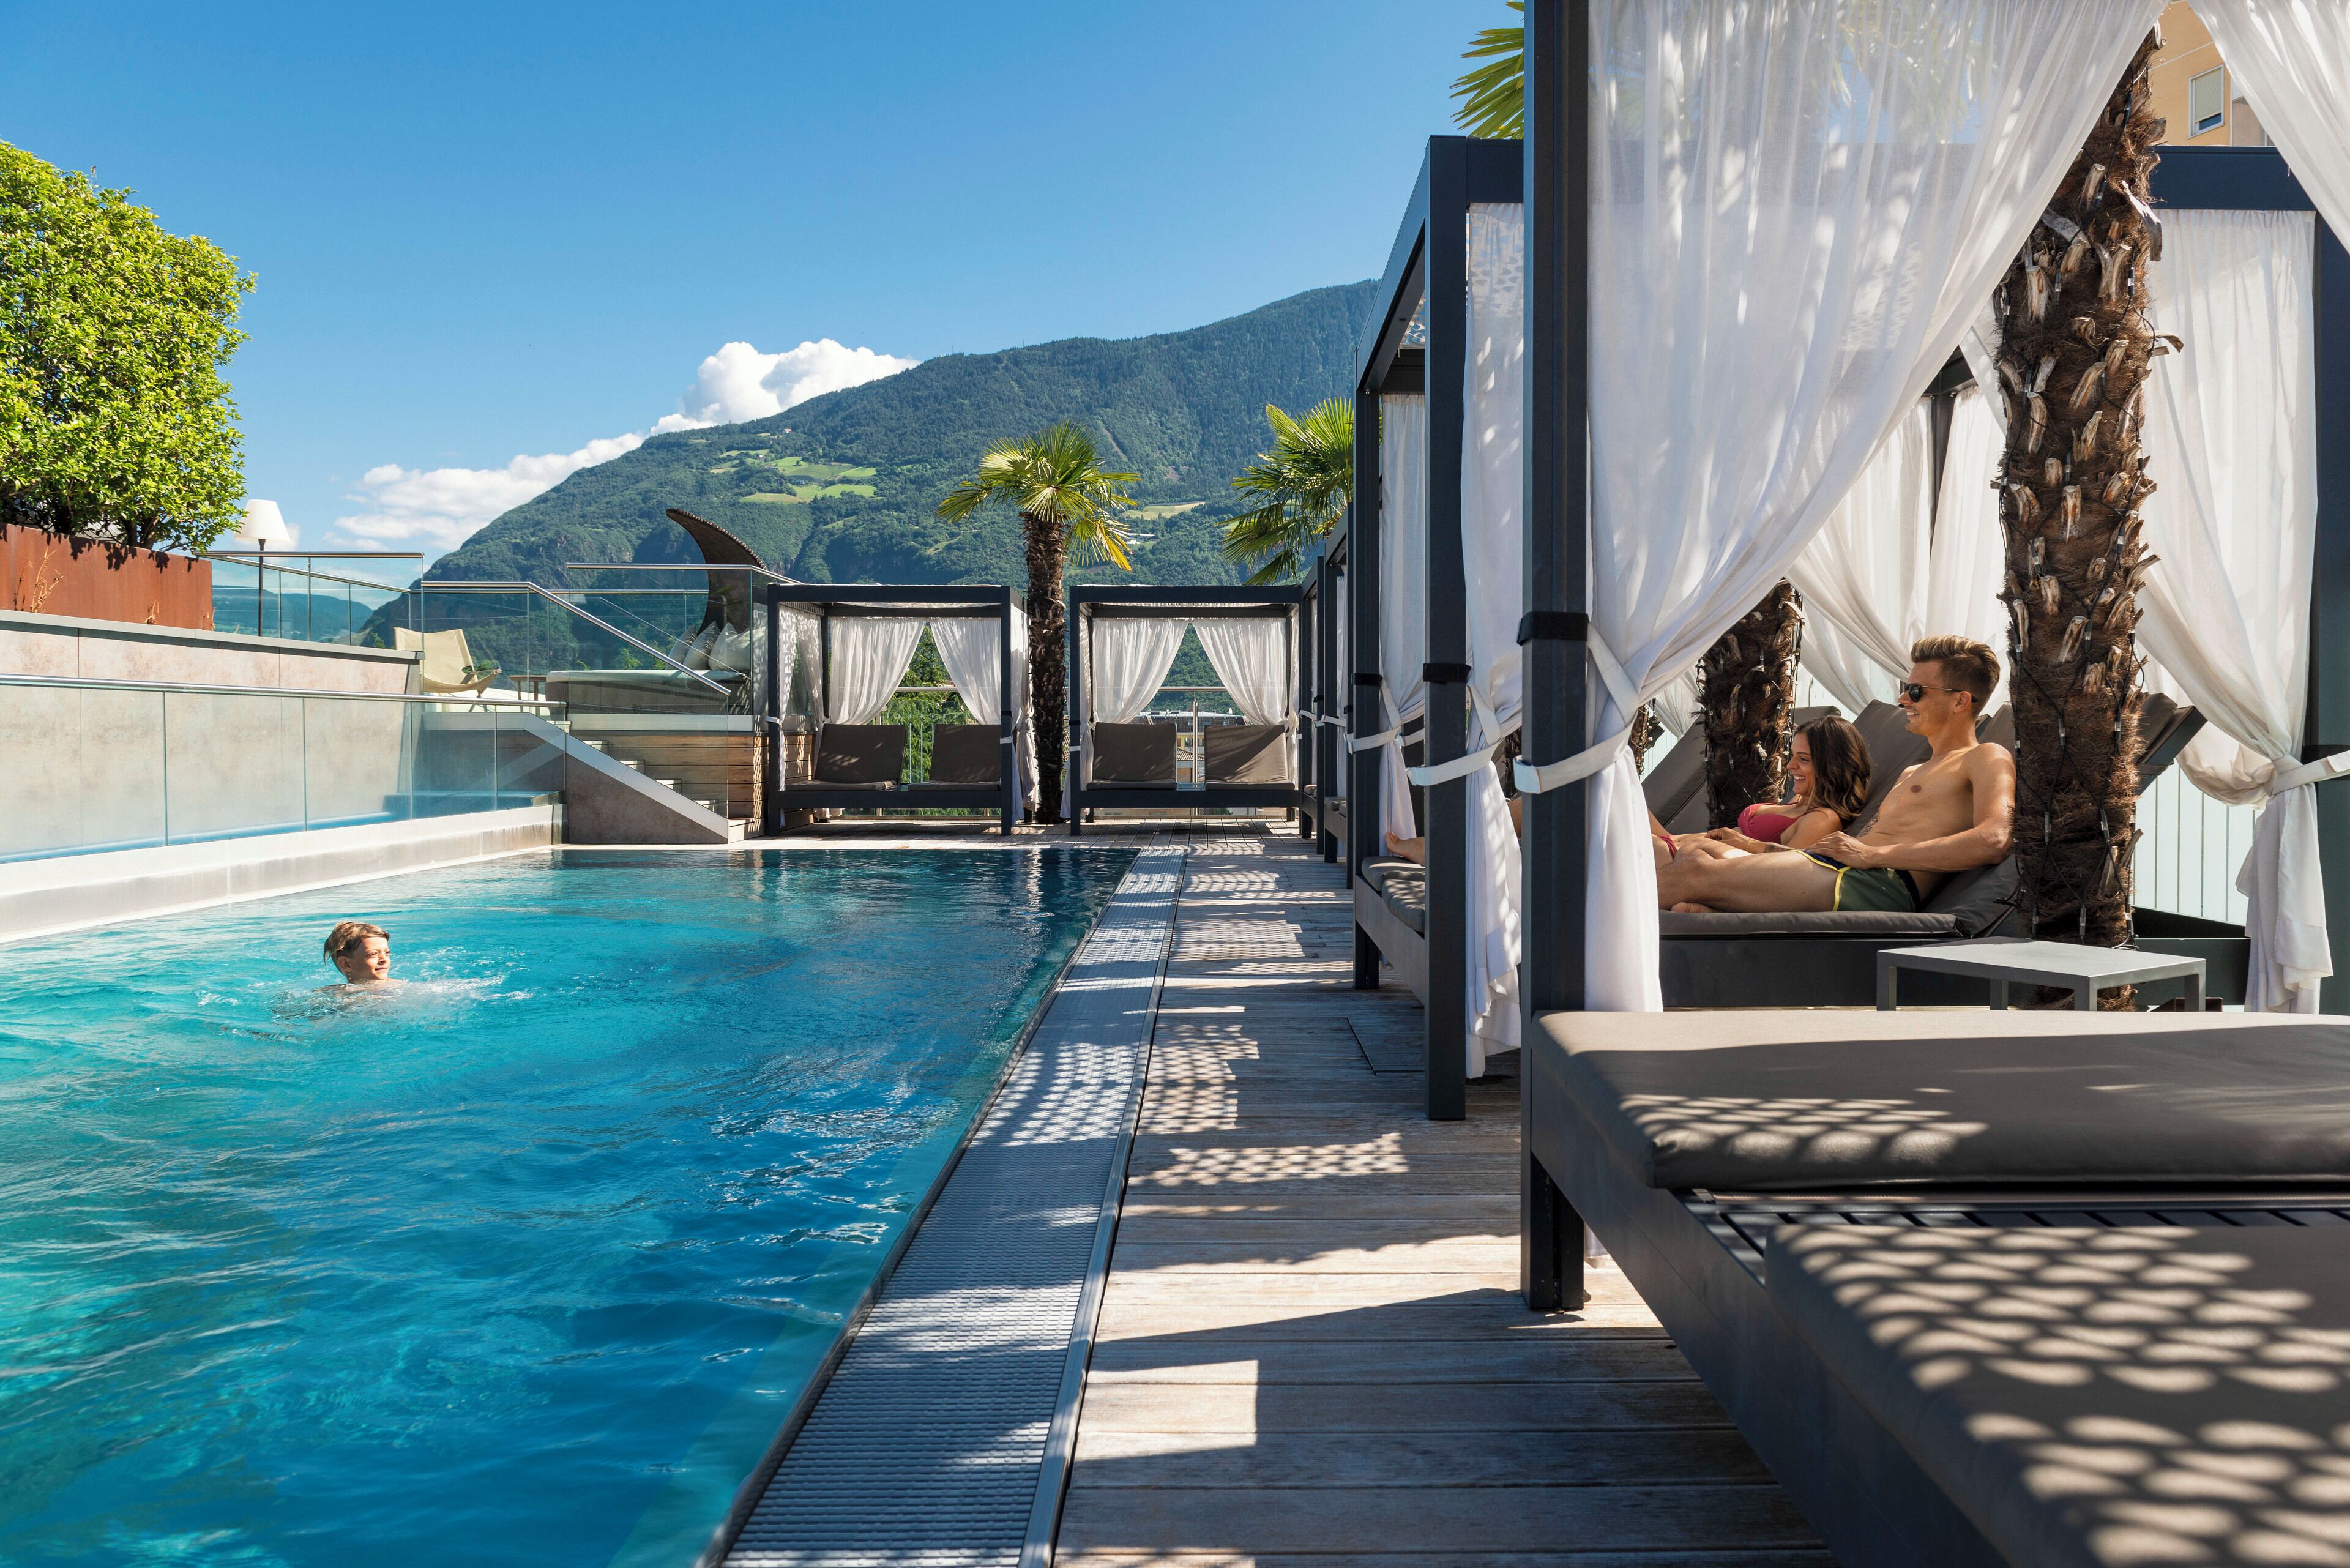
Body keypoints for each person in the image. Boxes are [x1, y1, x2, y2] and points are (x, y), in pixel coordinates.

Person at [1653, 635, 2013, 914]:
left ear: (1960, 701)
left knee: (1694, 871)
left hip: (1878, 884)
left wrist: (1873, 857)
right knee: (1699, 854)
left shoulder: (1984, 757)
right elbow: (1854, 851)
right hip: (1843, 872)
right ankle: (1712, 910)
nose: (1903, 700)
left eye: (1916, 691)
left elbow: (1994, 840)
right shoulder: (1913, 771)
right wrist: (1764, 848)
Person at [1658, 714, 1870, 870]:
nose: (1790, 766)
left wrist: (1747, 843)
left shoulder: (1823, 818)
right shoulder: (1802, 799)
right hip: (1679, 846)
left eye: (1803, 759)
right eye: (1793, 755)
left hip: (1683, 859)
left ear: (1833, 766)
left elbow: (1788, 869)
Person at [323, 920, 393, 984]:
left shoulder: (397, 985)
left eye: (386, 953)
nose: (384, 959)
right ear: (346, 964)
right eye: (373, 954)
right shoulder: (336, 994)